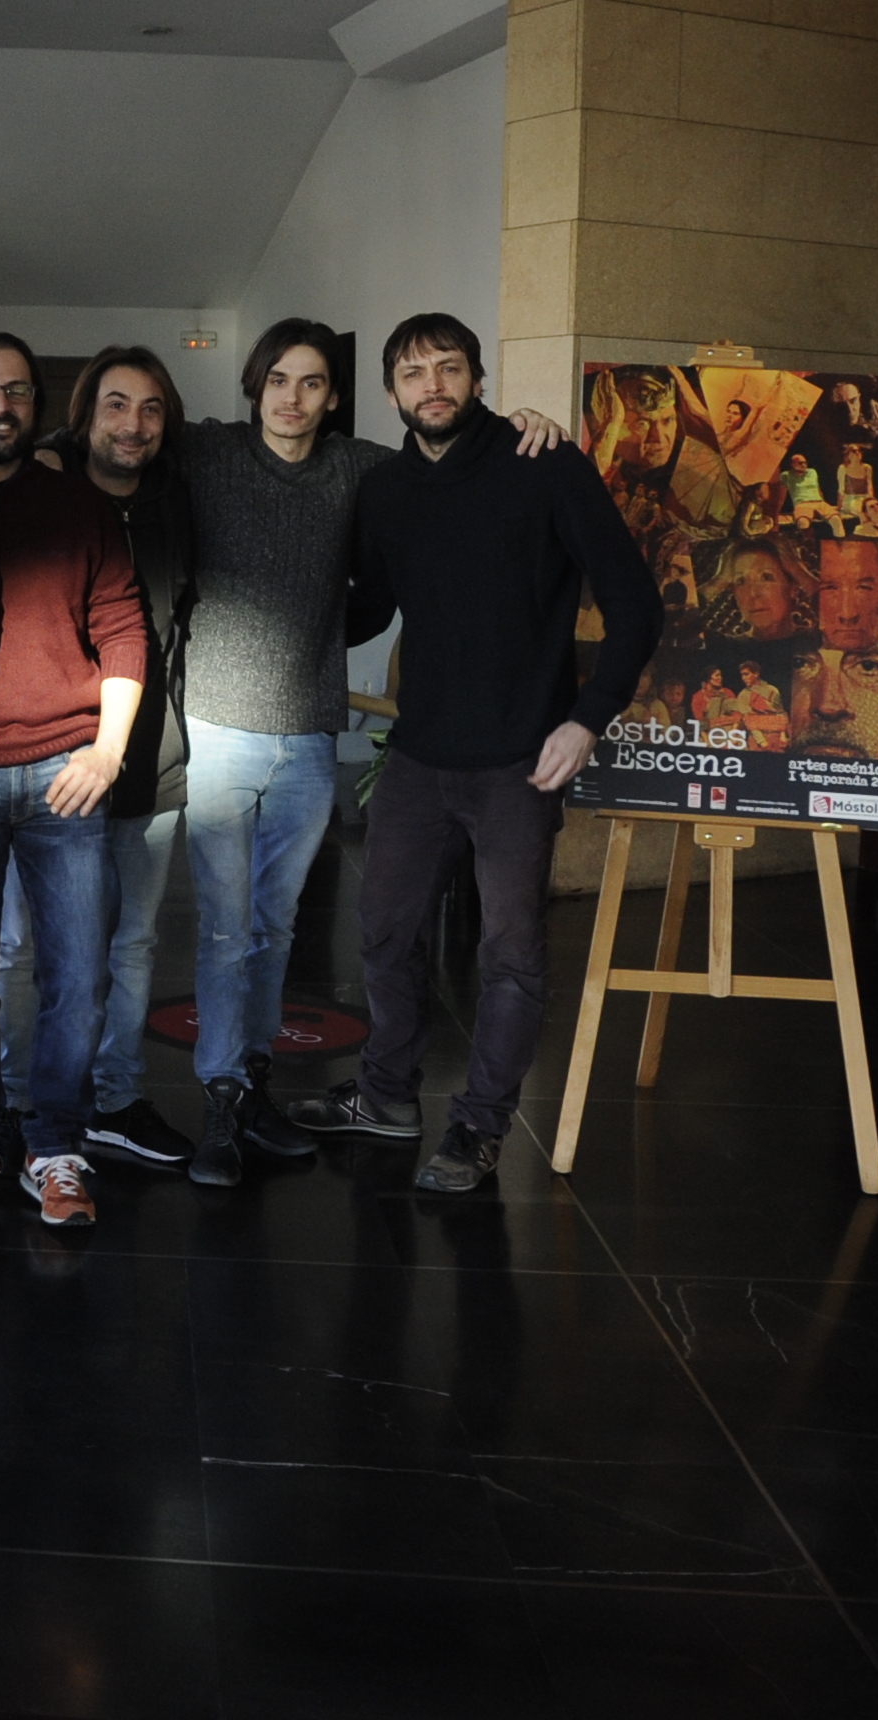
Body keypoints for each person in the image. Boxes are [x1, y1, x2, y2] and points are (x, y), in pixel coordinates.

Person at [147, 320, 567, 1182]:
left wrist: (527, 425)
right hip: (220, 729)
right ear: (255, 386)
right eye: (277, 381)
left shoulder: (361, 468)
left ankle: (254, 1086)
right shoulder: (209, 453)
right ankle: (222, 1097)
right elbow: (117, 434)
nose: (291, 398)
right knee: (226, 929)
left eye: (310, 383)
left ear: (335, 396)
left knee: (276, 926)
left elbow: (448, 451)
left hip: (310, 734)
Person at [338, 313, 662, 1193]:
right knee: (384, 932)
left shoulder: (542, 462)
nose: (433, 385)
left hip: (521, 759)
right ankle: (386, 1096)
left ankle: (480, 1127)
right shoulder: (386, 488)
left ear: (478, 379)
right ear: (391, 392)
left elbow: (636, 604)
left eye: (449, 368)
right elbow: (369, 607)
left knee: (510, 955)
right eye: (413, 373)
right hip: (418, 754)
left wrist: (586, 719)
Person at [0, 333, 144, 1230]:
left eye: (15, 391)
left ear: (36, 409)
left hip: (64, 775)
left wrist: (109, 751)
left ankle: (55, 1146)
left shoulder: (78, 504)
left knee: (78, 979)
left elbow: (123, 627)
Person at [0, 347, 197, 1176]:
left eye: (150, 409)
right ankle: (17, 1102)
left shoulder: (180, 499)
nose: (133, 424)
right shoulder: (41, 490)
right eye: (116, 405)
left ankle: (112, 1100)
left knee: (133, 944)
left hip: (150, 760)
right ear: (84, 417)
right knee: (21, 948)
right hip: (51, 766)